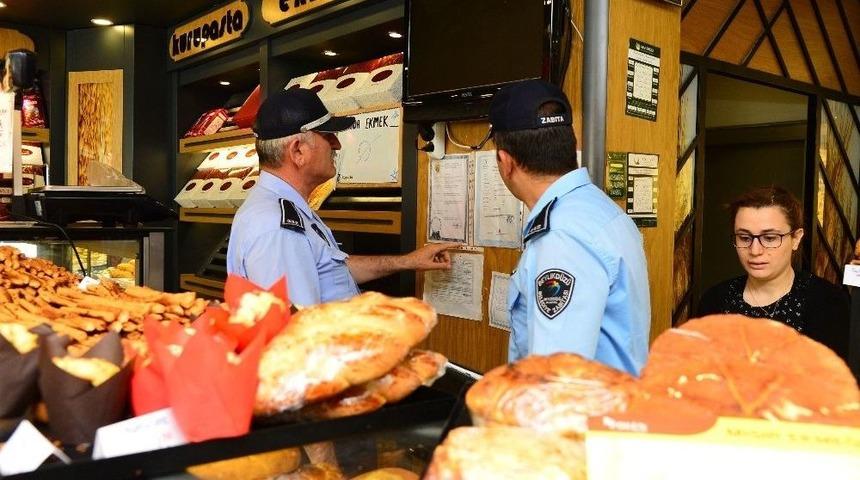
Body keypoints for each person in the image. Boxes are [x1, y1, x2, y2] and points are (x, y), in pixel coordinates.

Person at [227, 88, 456, 305]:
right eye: (328, 136)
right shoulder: (277, 228)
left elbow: (332, 268)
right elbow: (299, 332)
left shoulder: (285, 211)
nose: (336, 145)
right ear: (298, 151)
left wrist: (408, 261)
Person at [490, 79, 651, 376]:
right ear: (570, 146)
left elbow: (555, 381)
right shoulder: (598, 210)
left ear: (505, 162)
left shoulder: (560, 237)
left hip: (577, 420)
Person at [697, 186, 850, 361]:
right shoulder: (715, 300)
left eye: (769, 238)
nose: (755, 251)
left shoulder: (827, 302)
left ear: (796, 238)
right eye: (744, 238)